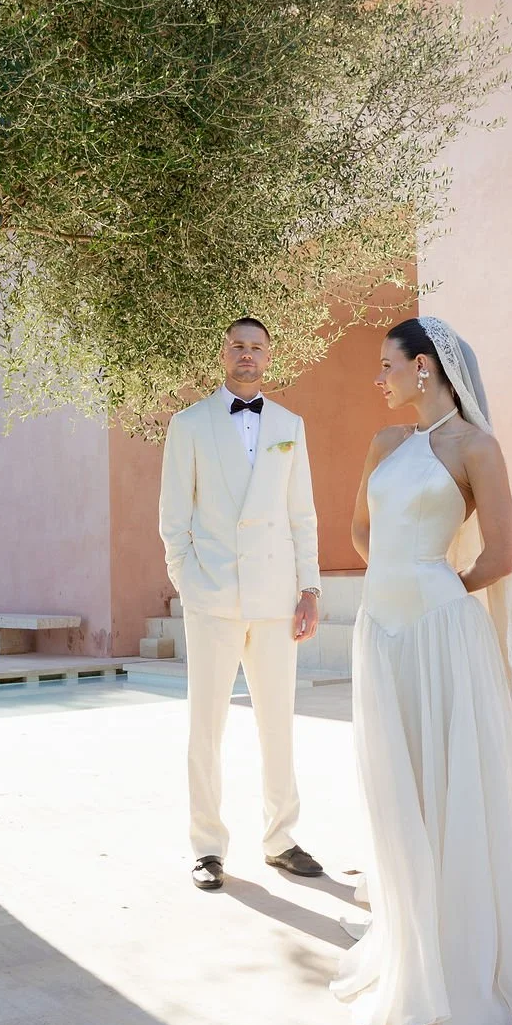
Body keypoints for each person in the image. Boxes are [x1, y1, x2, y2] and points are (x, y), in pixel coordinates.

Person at [331, 316, 512, 1025]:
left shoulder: (477, 447)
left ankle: (465, 960)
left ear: (426, 367)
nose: (378, 378)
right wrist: (393, 585)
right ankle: (411, 947)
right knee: (395, 787)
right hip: (379, 635)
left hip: (444, 632)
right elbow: (359, 532)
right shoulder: (384, 445)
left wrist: (440, 587)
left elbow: (501, 553)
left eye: (387, 365)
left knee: (455, 786)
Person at [159, 316, 325, 891]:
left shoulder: (290, 425)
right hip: (213, 599)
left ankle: (282, 838)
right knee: (206, 726)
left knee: (277, 723)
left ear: (270, 356)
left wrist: (310, 588)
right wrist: (189, 584)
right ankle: (207, 846)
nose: (247, 355)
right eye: (238, 346)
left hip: (277, 598)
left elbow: (301, 513)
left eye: (257, 347)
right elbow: (173, 517)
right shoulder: (189, 425)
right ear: (223, 354)